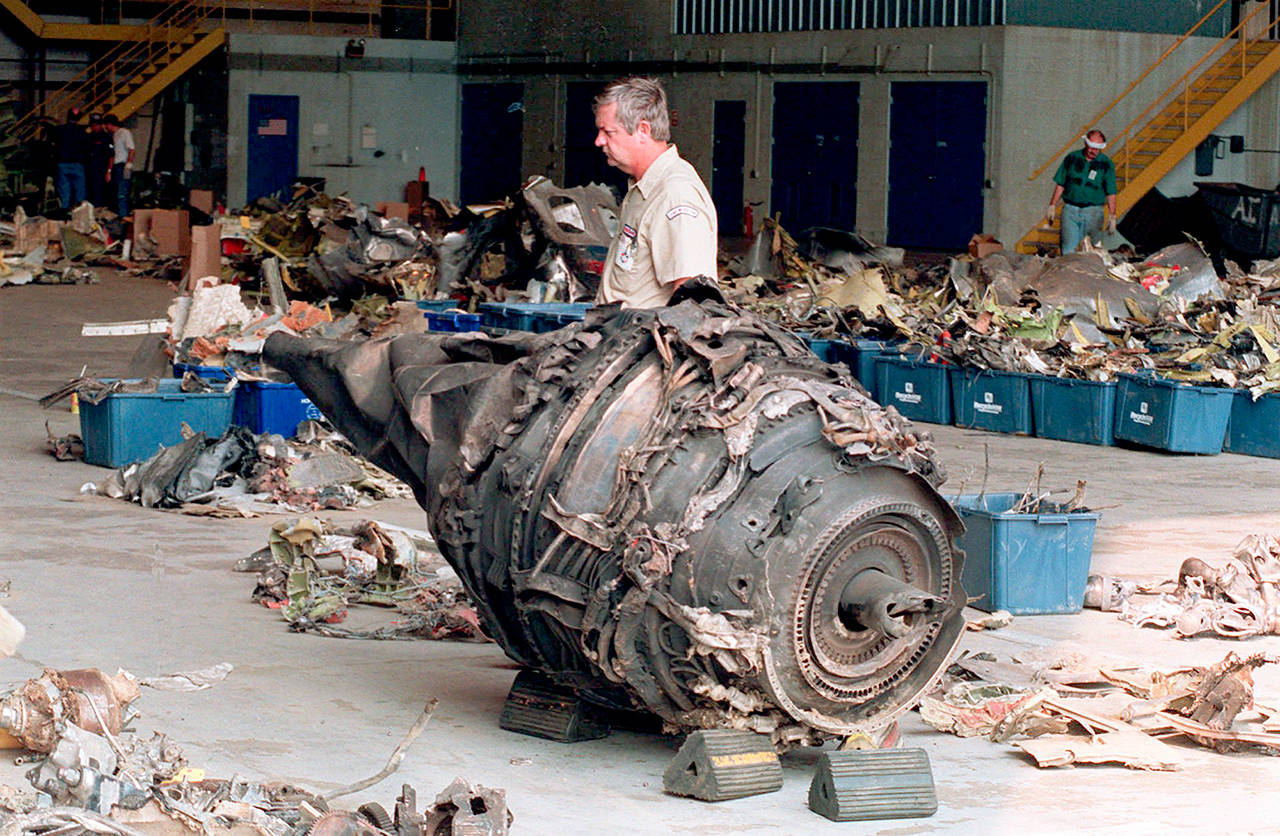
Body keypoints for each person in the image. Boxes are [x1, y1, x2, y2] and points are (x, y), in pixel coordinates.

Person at [592, 77, 718, 308]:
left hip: (642, 341)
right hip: (618, 336)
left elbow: (691, 300)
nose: (599, 141)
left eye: (608, 132)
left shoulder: (675, 194)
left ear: (643, 130)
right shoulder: (643, 188)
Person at [1046, 129, 1117, 255]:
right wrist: (1052, 205)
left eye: (1097, 149)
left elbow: (1111, 191)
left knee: (1092, 251)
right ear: (1085, 143)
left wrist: (1112, 215)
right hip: (1070, 210)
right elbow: (1061, 183)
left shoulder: (1106, 164)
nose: (1093, 151)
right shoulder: (1072, 158)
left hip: (1093, 212)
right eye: (1091, 147)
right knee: (1069, 250)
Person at [53, 107, 89, 209]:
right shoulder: (82, 132)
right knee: (79, 192)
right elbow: (87, 149)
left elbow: (54, 146)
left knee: (64, 192)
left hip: (62, 164)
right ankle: (79, 213)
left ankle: (65, 215)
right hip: (78, 164)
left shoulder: (59, 130)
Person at [103, 114, 135, 217]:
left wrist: (128, 164)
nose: (106, 128)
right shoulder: (114, 135)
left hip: (123, 166)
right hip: (116, 167)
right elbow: (113, 155)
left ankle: (123, 216)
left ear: (110, 124)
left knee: (122, 193)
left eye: (106, 125)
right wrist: (109, 171)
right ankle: (120, 215)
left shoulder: (124, 133)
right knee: (117, 193)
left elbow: (131, 149)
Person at [85, 113, 113, 208]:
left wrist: (109, 171)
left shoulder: (107, 138)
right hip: (89, 171)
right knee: (90, 193)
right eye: (93, 125)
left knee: (101, 194)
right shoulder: (88, 137)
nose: (95, 127)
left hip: (102, 170)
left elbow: (111, 156)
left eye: (97, 124)